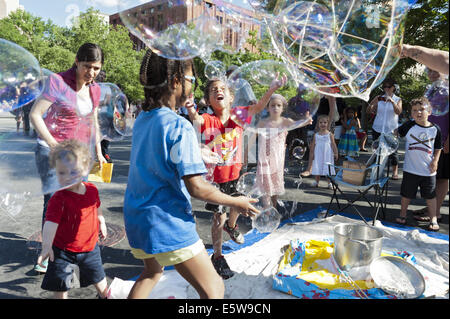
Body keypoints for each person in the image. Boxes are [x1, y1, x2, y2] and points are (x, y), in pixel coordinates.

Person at [123, 51, 259, 299]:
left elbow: (158, 149)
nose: (193, 84)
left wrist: (195, 149)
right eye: (191, 79)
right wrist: (236, 202)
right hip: (167, 221)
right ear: (176, 82)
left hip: (137, 217)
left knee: (151, 273)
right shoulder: (180, 125)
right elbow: (197, 188)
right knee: (214, 289)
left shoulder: (144, 118)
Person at [187, 73, 287, 279]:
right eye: (213, 90)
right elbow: (195, 119)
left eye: (222, 89)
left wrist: (272, 88)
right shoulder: (207, 119)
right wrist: (189, 107)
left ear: (232, 97)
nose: (218, 91)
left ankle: (232, 227)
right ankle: (217, 255)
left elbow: (258, 107)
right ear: (208, 99)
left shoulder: (238, 116)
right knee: (219, 216)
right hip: (216, 179)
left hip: (235, 174)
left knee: (237, 205)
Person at [30, 43, 107, 273]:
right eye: (86, 66)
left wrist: (99, 151)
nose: (91, 73)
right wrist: (54, 146)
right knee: (54, 200)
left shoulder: (94, 89)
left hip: (77, 154)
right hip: (50, 149)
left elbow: (92, 120)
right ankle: (46, 255)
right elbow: (35, 114)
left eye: (96, 68)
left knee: (76, 198)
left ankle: (66, 247)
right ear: (76, 61)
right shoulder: (58, 82)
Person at [36, 139, 109, 299]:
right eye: (61, 172)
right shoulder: (58, 198)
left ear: (84, 169)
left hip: (90, 249)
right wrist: (47, 247)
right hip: (63, 252)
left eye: (73, 172)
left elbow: (96, 206)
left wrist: (101, 221)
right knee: (61, 288)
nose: (67, 177)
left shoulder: (91, 190)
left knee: (102, 284)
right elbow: (50, 224)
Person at [256, 94, 312, 208]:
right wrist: (246, 154)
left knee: (275, 186)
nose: (275, 108)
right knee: (266, 186)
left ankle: (274, 208)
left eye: (278, 105)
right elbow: (253, 136)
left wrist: (307, 120)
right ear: (267, 108)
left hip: (278, 161)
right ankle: (267, 211)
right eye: (272, 105)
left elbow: (298, 124)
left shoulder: (285, 122)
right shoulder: (263, 122)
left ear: (282, 108)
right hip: (265, 160)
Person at [396, 97, 442, 231]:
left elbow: (438, 148)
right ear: (411, 113)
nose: (418, 112)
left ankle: (433, 218)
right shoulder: (409, 125)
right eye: (415, 110)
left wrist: (435, 161)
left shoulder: (435, 129)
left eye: (422, 109)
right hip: (410, 169)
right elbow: (396, 133)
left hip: (428, 170)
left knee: (431, 195)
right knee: (406, 194)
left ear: (430, 111)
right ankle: (402, 214)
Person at [413, 68, 449, 225]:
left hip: (444, 142)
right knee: (432, 176)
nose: (433, 74)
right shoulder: (432, 89)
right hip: (429, 140)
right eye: (430, 71)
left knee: (441, 178)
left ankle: (436, 212)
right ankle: (431, 208)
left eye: (437, 70)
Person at [367, 78, 402, 179]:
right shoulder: (379, 97)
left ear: (393, 88)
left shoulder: (398, 99)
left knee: (393, 152)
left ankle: (394, 172)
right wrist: (373, 105)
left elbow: (398, 112)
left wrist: (392, 102)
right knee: (376, 150)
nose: (386, 88)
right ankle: (376, 172)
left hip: (391, 129)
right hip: (377, 127)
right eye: (384, 87)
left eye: (388, 87)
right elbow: (368, 110)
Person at [299, 95, 338, 177]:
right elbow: (312, 106)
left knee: (327, 147)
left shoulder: (330, 93)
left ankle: (325, 170)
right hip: (318, 120)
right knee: (313, 147)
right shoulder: (317, 93)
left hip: (327, 121)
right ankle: (310, 169)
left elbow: (332, 110)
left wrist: (328, 126)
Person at [310, 114, 338, 188]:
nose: (323, 124)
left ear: (328, 124)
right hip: (318, 153)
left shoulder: (330, 134)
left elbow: (333, 144)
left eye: (325, 122)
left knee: (327, 167)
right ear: (318, 124)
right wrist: (312, 154)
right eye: (321, 122)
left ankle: (329, 183)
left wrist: (336, 153)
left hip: (327, 154)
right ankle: (316, 181)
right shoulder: (316, 135)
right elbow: (313, 145)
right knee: (317, 166)